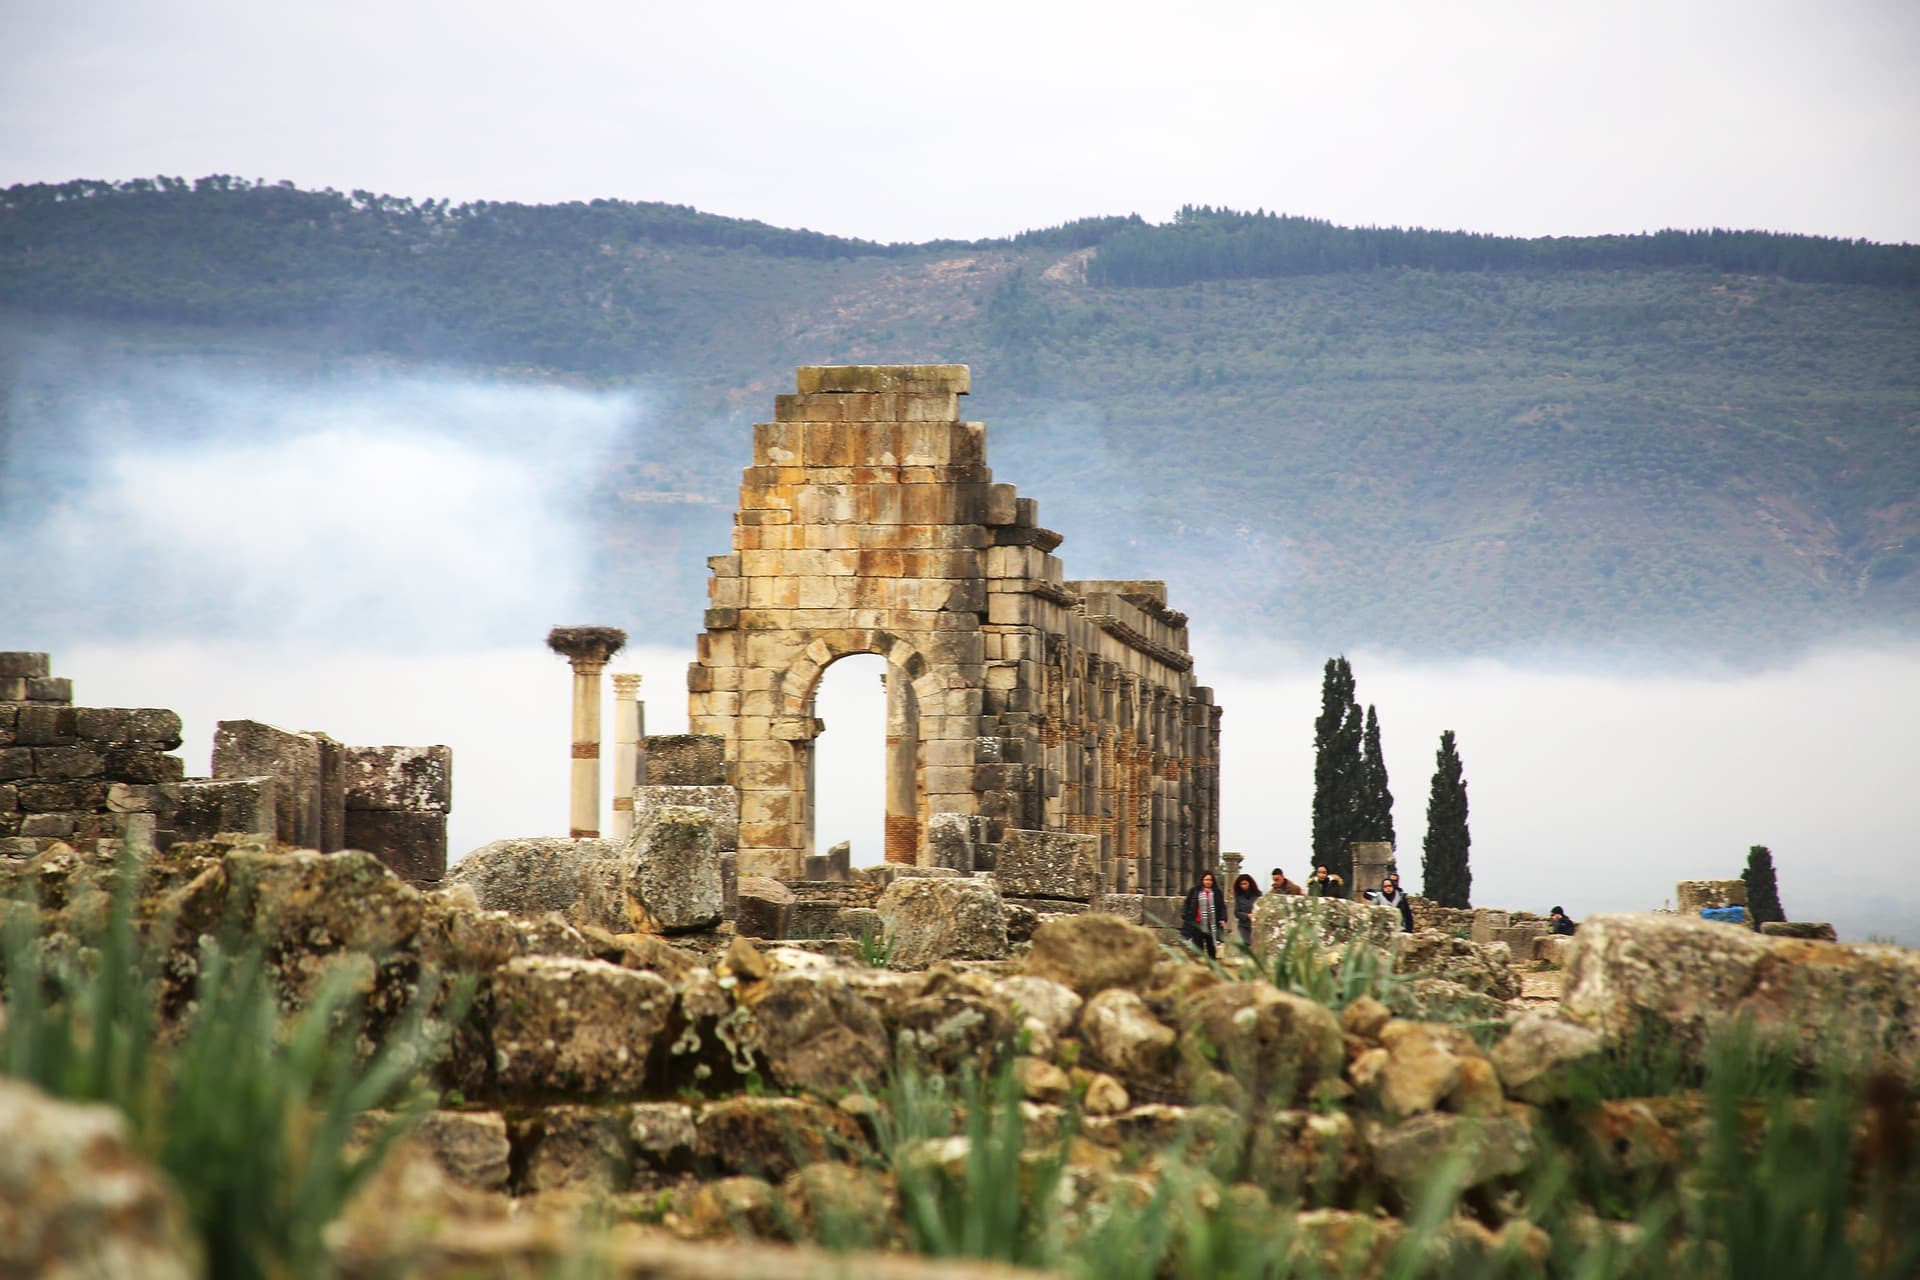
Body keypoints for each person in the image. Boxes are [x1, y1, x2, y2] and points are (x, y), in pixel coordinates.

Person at [1181, 871, 1226, 959]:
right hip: (1197, 924)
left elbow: (1222, 907)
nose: (1208, 882)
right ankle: (1199, 968)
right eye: (1206, 880)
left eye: (1210, 880)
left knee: (1212, 949)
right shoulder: (1195, 891)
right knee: (1198, 949)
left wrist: (1223, 919)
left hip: (1212, 925)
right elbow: (1187, 904)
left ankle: (1212, 968)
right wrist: (1185, 915)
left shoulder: (1217, 892)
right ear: (1202, 880)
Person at [1231, 873, 1262, 946]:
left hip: (1255, 925)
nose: (1243, 886)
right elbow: (1236, 912)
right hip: (1243, 925)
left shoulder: (1258, 895)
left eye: (1245, 883)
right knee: (1245, 944)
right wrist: (1247, 915)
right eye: (1241, 884)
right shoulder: (1238, 896)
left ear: (1250, 883)